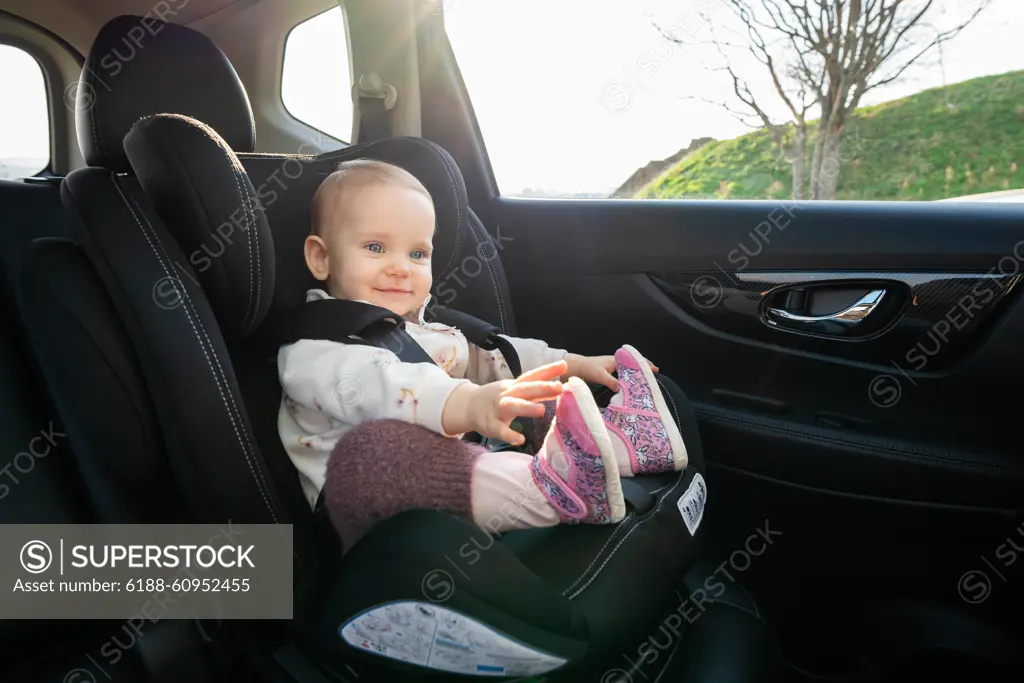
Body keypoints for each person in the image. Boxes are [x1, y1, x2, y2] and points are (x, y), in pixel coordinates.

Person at [278, 159, 690, 549]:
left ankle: (627, 446)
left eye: (418, 254)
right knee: (369, 451)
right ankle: (555, 490)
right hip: (365, 515)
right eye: (375, 247)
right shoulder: (316, 350)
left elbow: (491, 358)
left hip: (453, 471)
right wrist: (472, 401)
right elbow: (386, 388)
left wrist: (571, 365)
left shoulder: (420, 327)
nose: (401, 268)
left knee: (526, 392)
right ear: (321, 257)